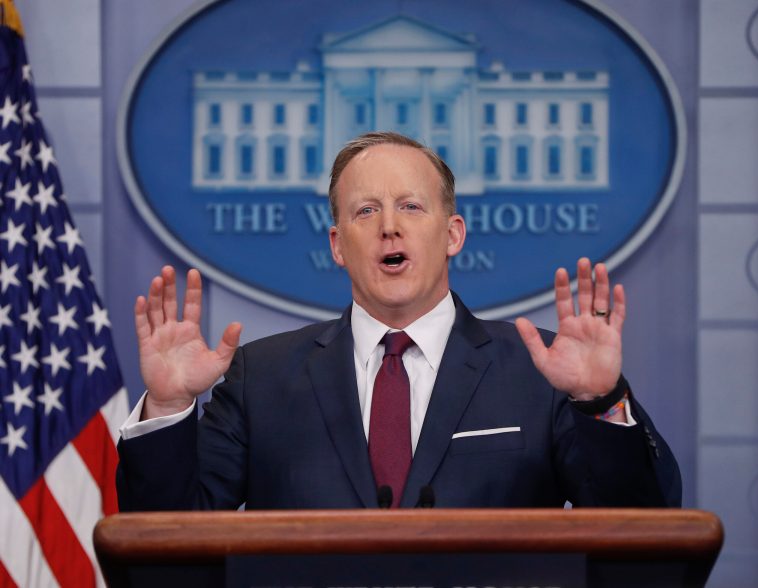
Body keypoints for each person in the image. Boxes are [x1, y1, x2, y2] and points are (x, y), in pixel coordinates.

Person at [117, 132, 681, 510]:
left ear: (453, 233)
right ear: (338, 245)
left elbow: (641, 525)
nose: (389, 227)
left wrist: (601, 402)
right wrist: (167, 409)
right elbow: (167, 540)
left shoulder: (543, 372)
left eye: (411, 206)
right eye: (366, 211)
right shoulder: (260, 378)